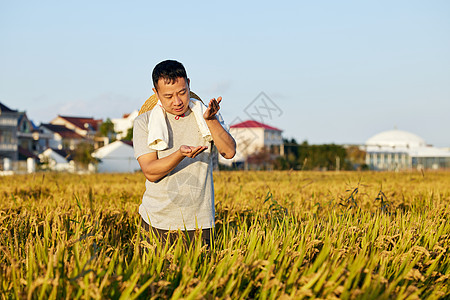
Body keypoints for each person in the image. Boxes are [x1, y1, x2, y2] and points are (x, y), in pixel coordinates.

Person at [133, 60, 236, 248]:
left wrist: (211, 120)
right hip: (156, 222)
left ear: (189, 84)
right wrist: (179, 154)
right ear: (156, 93)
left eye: (182, 92)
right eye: (169, 96)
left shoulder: (206, 115)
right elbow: (150, 171)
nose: (177, 101)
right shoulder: (144, 122)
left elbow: (228, 152)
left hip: (200, 222)